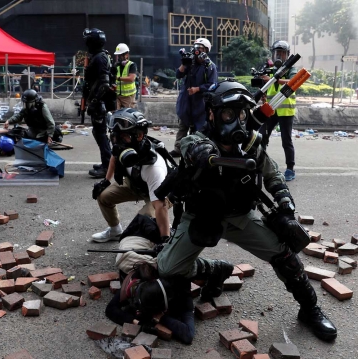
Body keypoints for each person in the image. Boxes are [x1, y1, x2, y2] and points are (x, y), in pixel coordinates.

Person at [156, 80, 337, 342]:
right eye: (229, 114)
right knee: (167, 268)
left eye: (241, 114)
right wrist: (203, 152)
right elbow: (188, 147)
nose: (236, 121)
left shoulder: (252, 144)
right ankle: (215, 269)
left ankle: (310, 309)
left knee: (286, 257)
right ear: (212, 114)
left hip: (241, 216)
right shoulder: (198, 140)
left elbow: (273, 173)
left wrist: (285, 204)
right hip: (201, 217)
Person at [91, 108, 170, 243]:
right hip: (135, 183)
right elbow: (114, 157)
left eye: (123, 137)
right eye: (114, 136)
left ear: (139, 136)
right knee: (102, 195)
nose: (117, 142)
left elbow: (161, 206)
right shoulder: (123, 149)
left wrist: (165, 240)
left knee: (143, 221)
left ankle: (164, 237)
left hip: (160, 192)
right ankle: (115, 231)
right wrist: (106, 181)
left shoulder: (153, 167)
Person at [170, 38, 218, 158]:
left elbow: (212, 85)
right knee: (183, 125)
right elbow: (178, 74)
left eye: (200, 48)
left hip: (200, 102)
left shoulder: (210, 66)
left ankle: (196, 150)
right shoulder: (190, 63)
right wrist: (183, 63)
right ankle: (178, 148)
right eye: (195, 47)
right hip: (186, 100)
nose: (196, 50)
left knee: (199, 127)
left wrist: (198, 89)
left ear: (206, 50)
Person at [261, 40, 298, 181]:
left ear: (287, 55)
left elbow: (293, 82)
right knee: (263, 137)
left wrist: (274, 80)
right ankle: (260, 163)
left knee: (286, 141)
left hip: (285, 111)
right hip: (271, 109)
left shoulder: (291, 69)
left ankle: (290, 169)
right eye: (277, 53)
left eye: (282, 53)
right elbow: (265, 86)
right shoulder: (270, 68)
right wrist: (263, 94)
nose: (279, 56)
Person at [82, 28, 116, 179]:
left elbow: (104, 84)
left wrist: (94, 102)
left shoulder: (100, 58)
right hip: (98, 101)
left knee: (101, 134)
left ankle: (107, 165)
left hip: (99, 103)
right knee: (99, 133)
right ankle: (106, 163)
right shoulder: (98, 56)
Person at [114, 43, 137, 109]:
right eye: (118, 55)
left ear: (126, 55)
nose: (119, 57)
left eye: (121, 55)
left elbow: (131, 78)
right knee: (115, 114)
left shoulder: (132, 65)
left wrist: (117, 78)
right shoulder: (117, 65)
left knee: (127, 116)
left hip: (128, 96)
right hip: (117, 95)